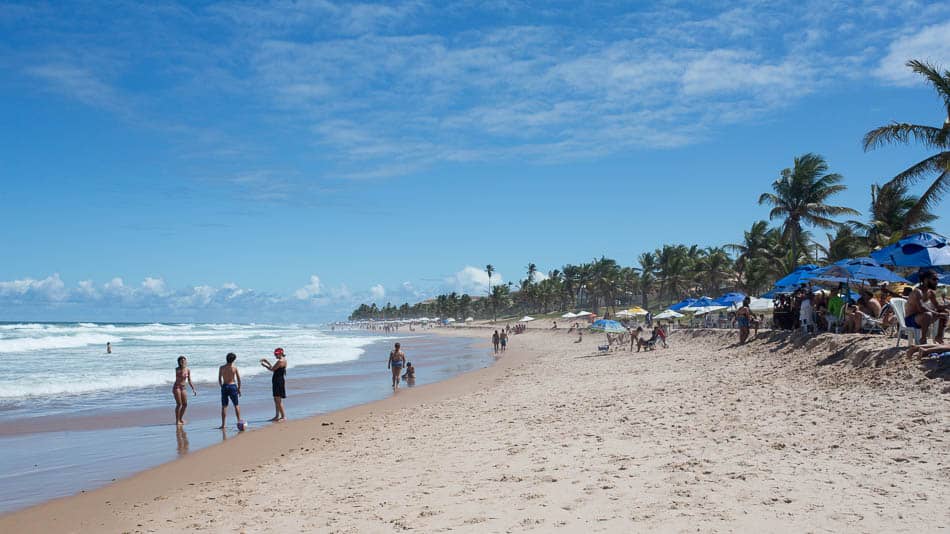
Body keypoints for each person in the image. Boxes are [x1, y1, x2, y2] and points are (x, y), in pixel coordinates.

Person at [905, 270, 948, 344]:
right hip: (911, 319)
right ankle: (923, 339)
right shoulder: (917, 292)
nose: (936, 282)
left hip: (922, 317)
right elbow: (921, 309)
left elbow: (938, 306)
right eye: (934, 279)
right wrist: (937, 314)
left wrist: (947, 306)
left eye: (937, 279)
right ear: (925, 280)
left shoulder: (931, 292)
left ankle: (939, 337)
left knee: (945, 312)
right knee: (928, 315)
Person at [260, 347, 287, 422]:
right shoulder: (283, 360)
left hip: (278, 381)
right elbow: (274, 368)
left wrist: (265, 365)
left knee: (278, 400)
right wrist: (267, 362)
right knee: (276, 399)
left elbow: (272, 369)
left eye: (277, 354)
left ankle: (283, 416)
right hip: (278, 380)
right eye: (275, 354)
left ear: (281, 353)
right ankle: (277, 416)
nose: (276, 355)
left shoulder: (280, 361)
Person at [218, 352, 242, 429]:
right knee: (236, 405)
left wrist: (221, 386)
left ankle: (223, 424)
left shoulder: (221, 367)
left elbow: (219, 379)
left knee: (224, 406)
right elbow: (238, 379)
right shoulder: (234, 368)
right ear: (233, 360)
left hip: (225, 386)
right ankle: (239, 421)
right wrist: (239, 388)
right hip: (232, 386)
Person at [173, 355, 196, 425]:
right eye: (181, 361)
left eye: (184, 360)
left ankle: (180, 418)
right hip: (177, 387)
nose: (183, 362)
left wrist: (193, 389)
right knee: (179, 404)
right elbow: (179, 374)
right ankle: (177, 421)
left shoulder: (188, 370)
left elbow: (189, 380)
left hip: (183, 387)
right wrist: (183, 368)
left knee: (185, 404)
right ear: (179, 362)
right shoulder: (177, 369)